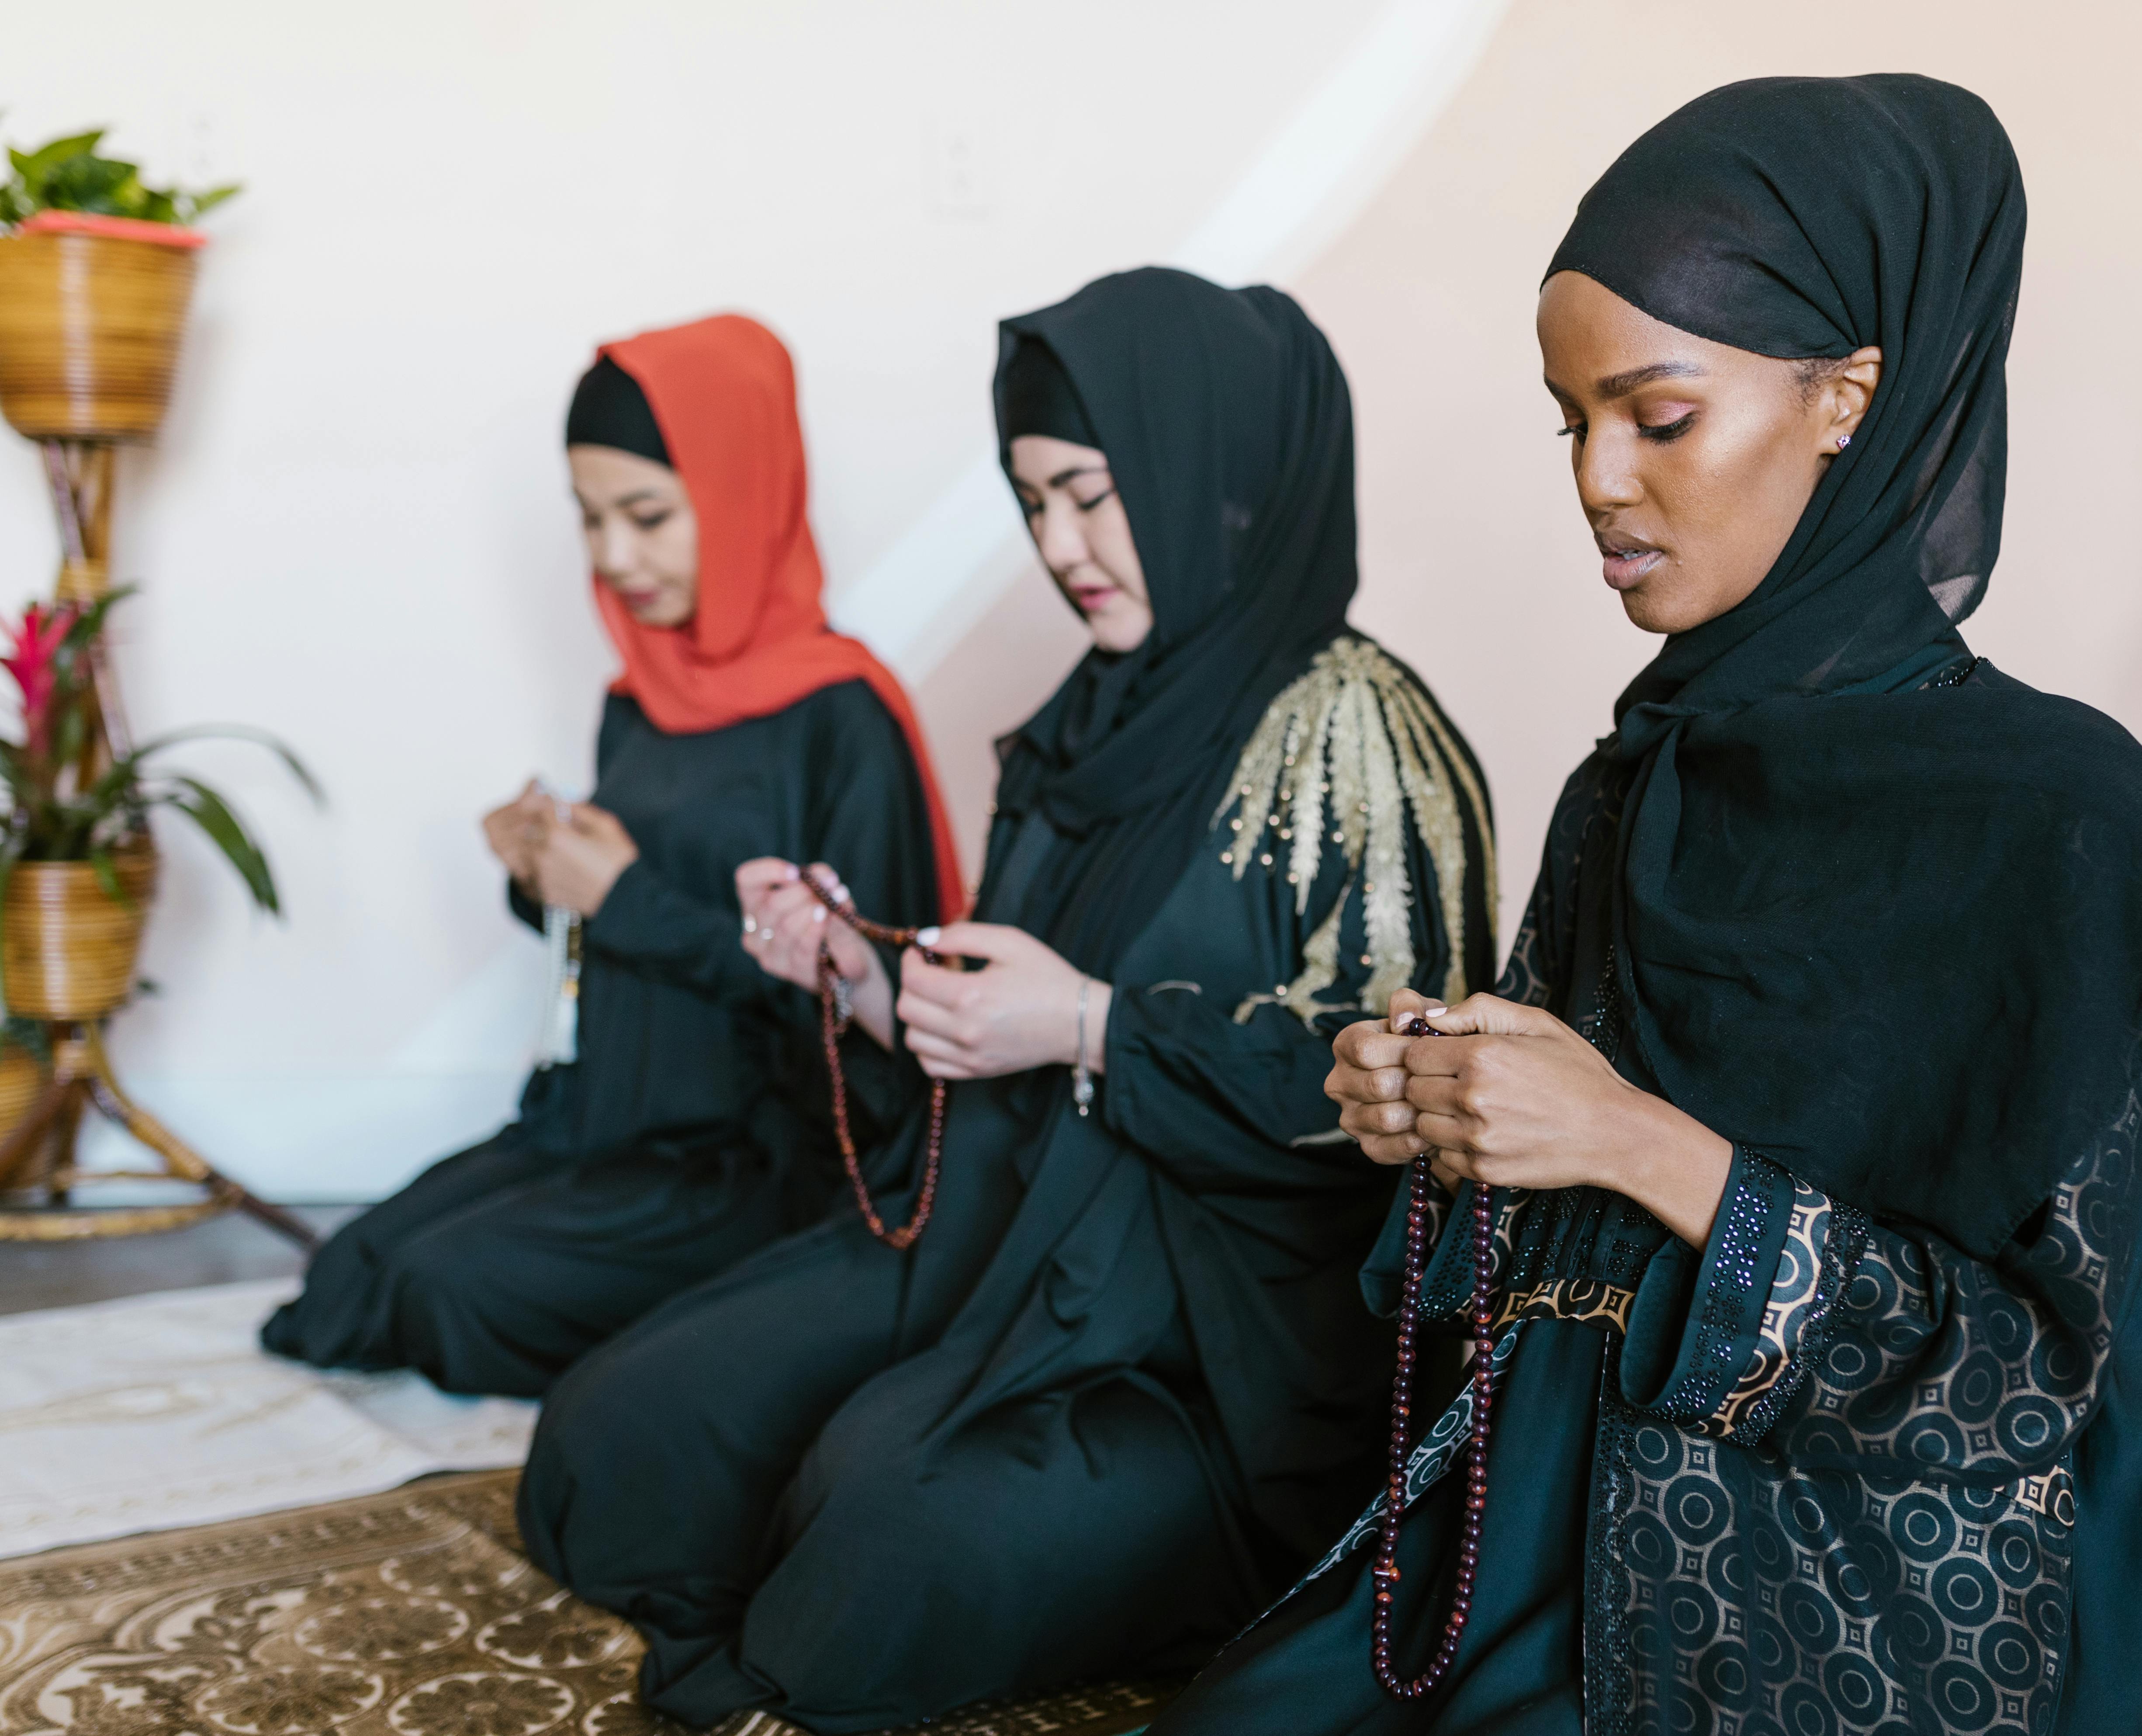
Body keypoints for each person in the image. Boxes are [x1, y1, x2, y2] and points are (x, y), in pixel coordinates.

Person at [1152, 75, 2142, 1736]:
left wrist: (1630, 1140)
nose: (1598, 482)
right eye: (1570, 421)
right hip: (1545, 1515)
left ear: (1847, 397)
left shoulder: (2062, 822)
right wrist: (1445, 1112)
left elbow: (2021, 1387)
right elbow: (1532, 1246)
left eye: (1656, 418)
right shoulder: (1644, 777)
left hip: (1847, 1595)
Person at [515, 267, 1500, 1732]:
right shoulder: (1090, 715)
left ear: (1205, 473)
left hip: (1215, 1351)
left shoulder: (1361, 732)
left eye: (1093, 494)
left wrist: (1097, 1027)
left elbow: (1408, 1113)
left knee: (878, 1552)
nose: (1063, 546)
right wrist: (859, 975)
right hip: (998, 1245)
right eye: (1034, 501)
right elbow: (996, 1012)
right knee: (613, 1444)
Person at [263, 314, 959, 1397]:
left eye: (647, 516)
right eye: (590, 520)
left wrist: (625, 895)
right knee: (349, 1280)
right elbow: (625, 917)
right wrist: (542, 876)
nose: (613, 560)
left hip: (751, 1162)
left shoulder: (843, 718)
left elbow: (875, 1013)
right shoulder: (636, 699)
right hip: (602, 1125)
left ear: (738, 494)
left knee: (449, 1291)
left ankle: (712, 1348)